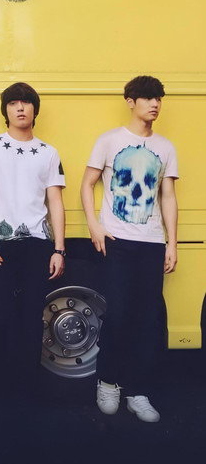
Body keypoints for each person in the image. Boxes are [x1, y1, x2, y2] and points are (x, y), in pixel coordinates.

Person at [81, 75, 178, 422]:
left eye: (158, 98)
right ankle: (108, 382)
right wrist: (94, 225)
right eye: (148, 98)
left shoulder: (165, 147)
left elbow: (168, 196)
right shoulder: (109, 140)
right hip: (117, 242)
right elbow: (87, 183)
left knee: (147, 319)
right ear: (131, 102)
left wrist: (171, 242)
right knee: (119, 314)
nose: (155, 104)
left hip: (151, 243)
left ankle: (138, 391)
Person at [0, 82, 66, 394]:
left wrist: (59, 249)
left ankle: (26, 386)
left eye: (26, 102)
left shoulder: (48, 152)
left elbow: (55, 202)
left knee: (30, 316)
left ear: (35, 109)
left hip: (37, 245)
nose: (20, 107)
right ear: (6, 110)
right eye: (13, 103)